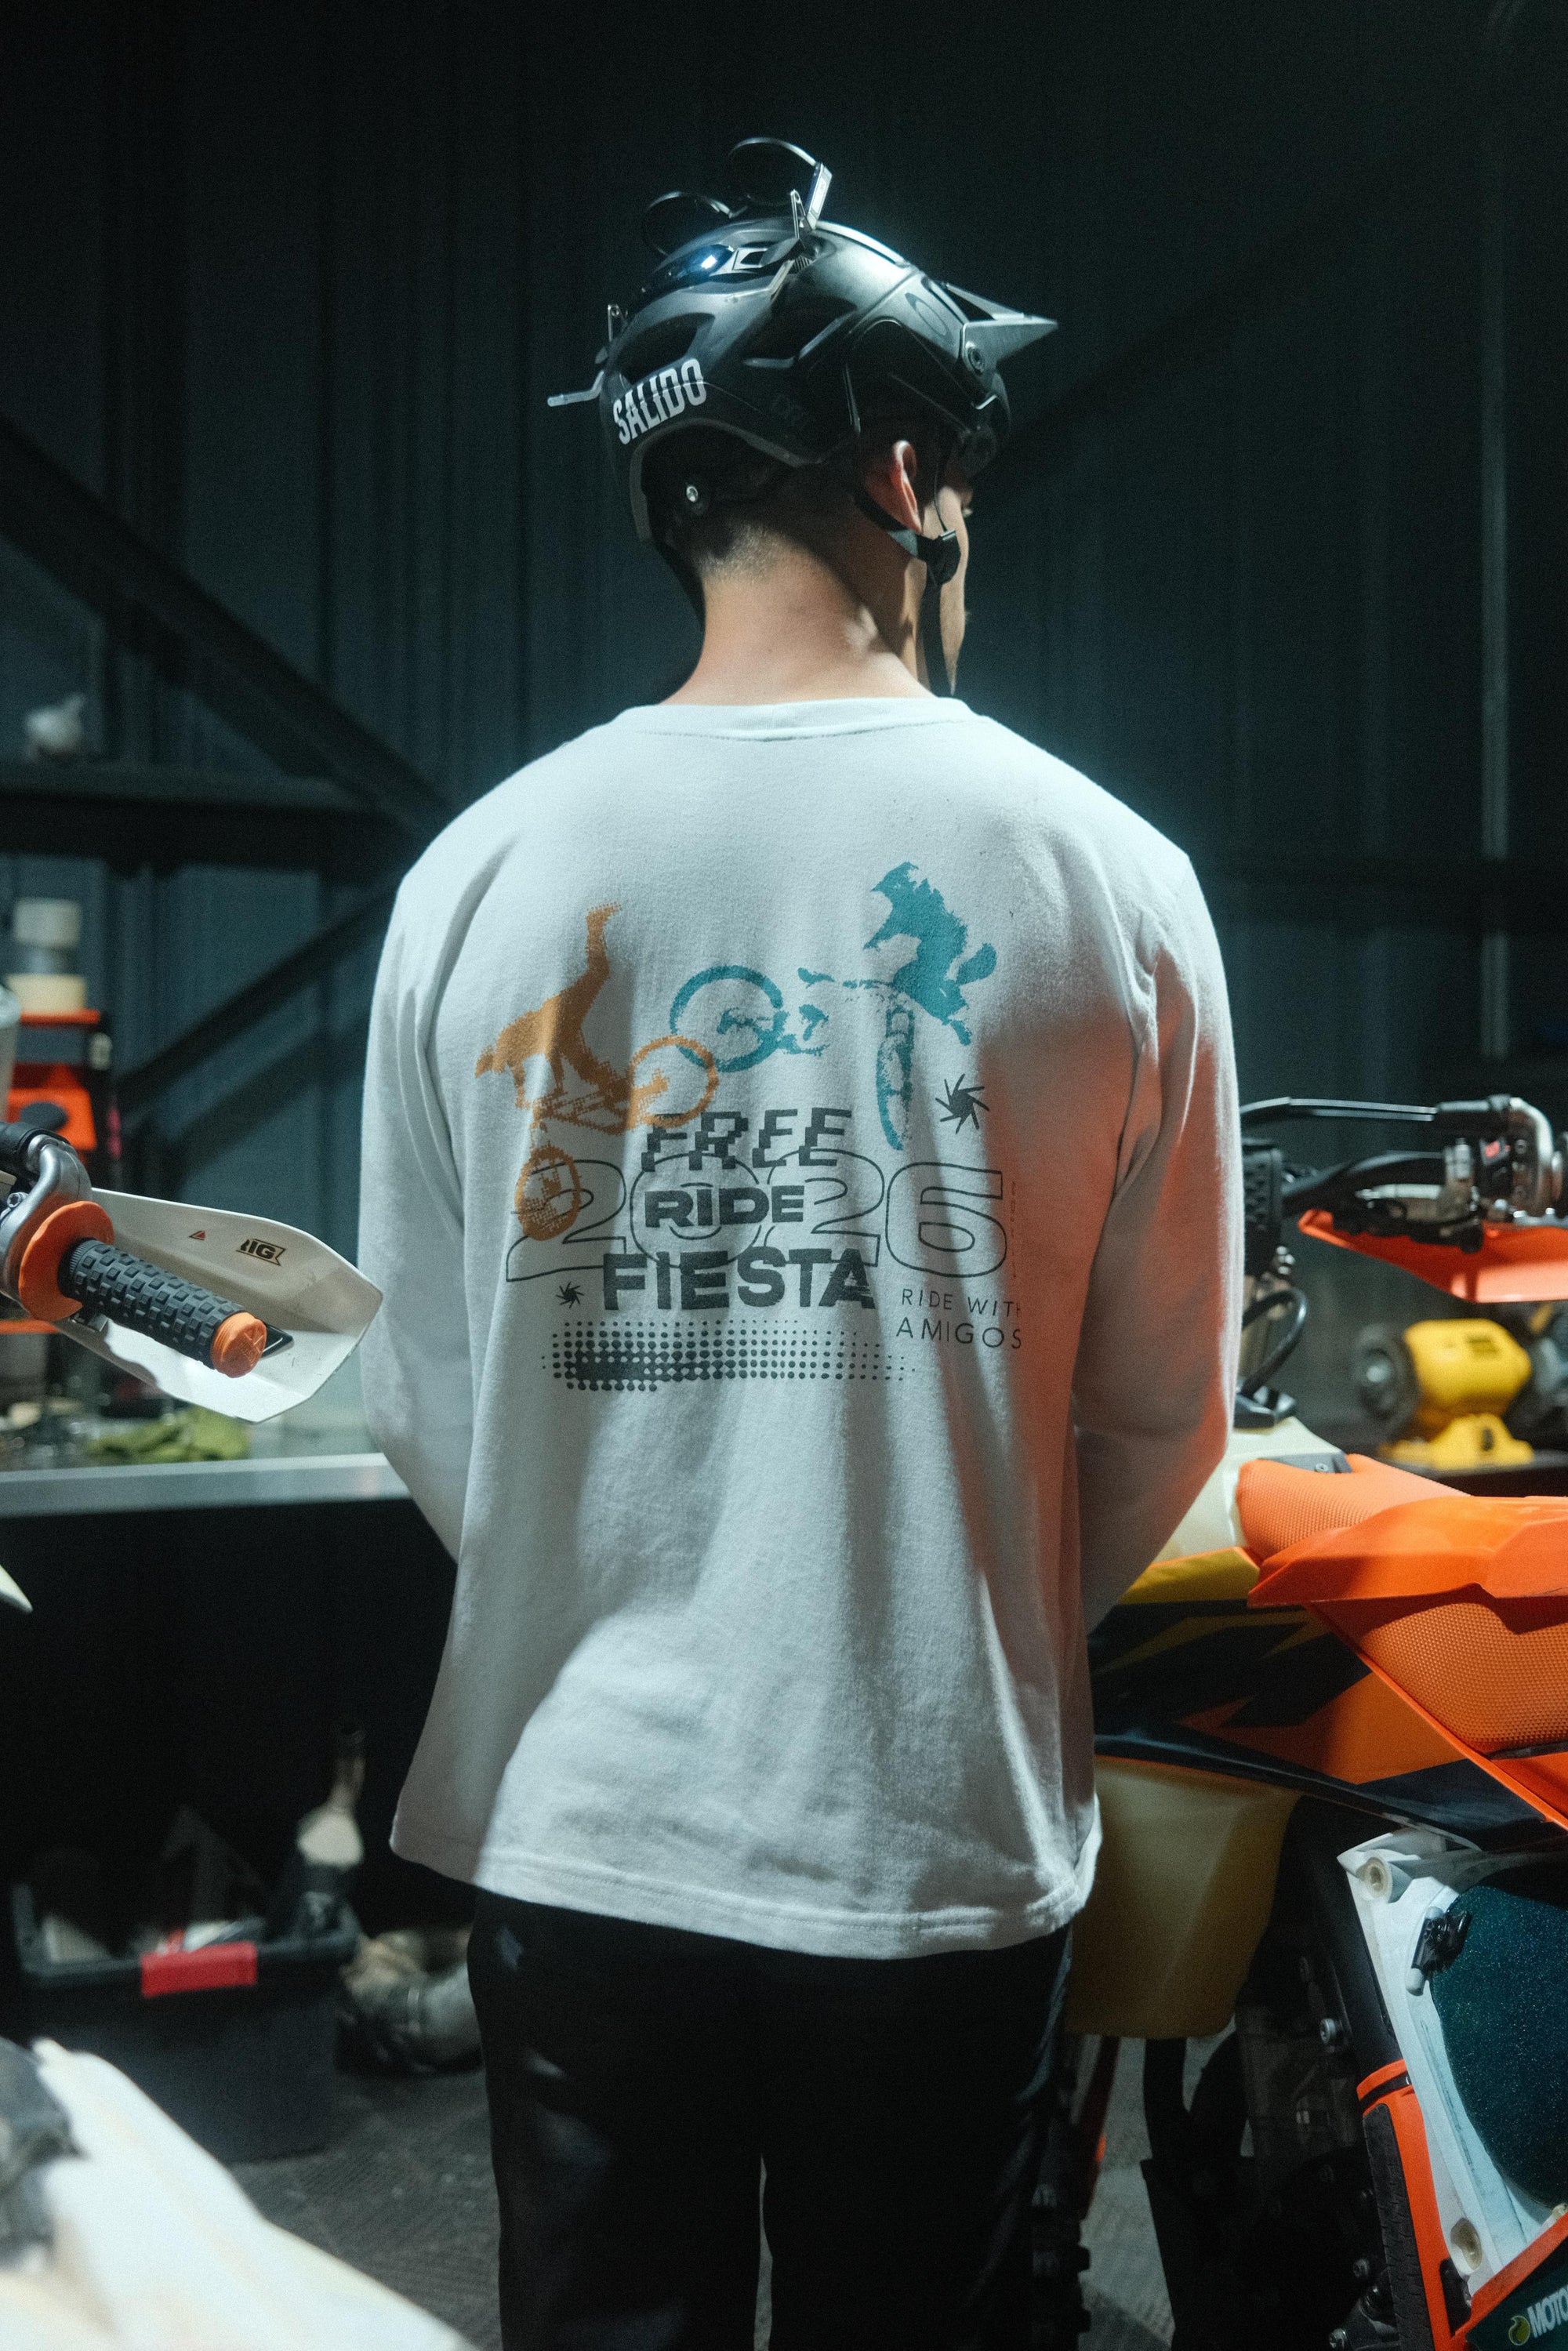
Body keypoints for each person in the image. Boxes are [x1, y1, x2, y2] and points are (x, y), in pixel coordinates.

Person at [358, 137, 1241, 2351]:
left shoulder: (481, 872)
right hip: (931, 1831)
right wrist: (950, 1618)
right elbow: (1161, 1419)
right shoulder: (1106, 879)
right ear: (908, 469)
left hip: (573, 1816)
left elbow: (430, 1398)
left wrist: (617, 1567)